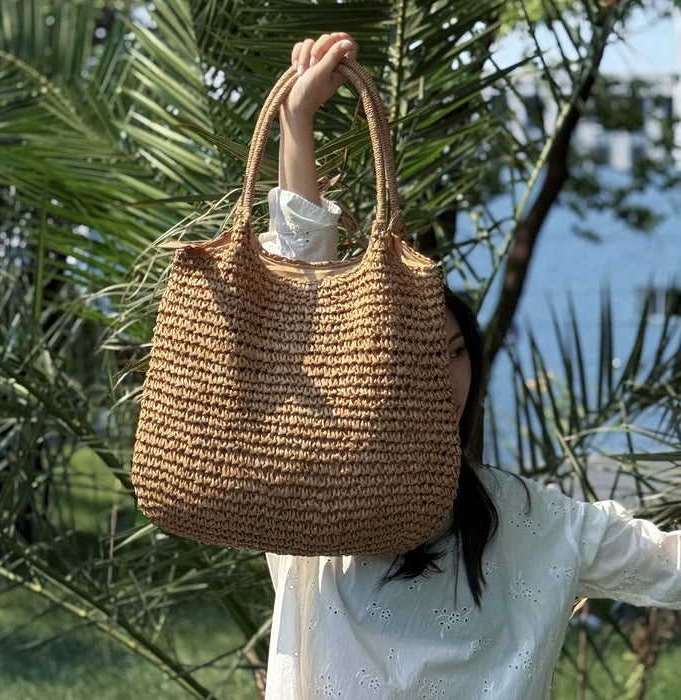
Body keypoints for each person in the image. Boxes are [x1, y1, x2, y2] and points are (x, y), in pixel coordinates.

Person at [260, 34, 681, 700]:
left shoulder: (532, 521)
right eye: (415, 357)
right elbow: (304, 307)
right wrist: (297, 122)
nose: (440, 378)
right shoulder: (316, 495)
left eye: (456, 353)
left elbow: (668, 564)